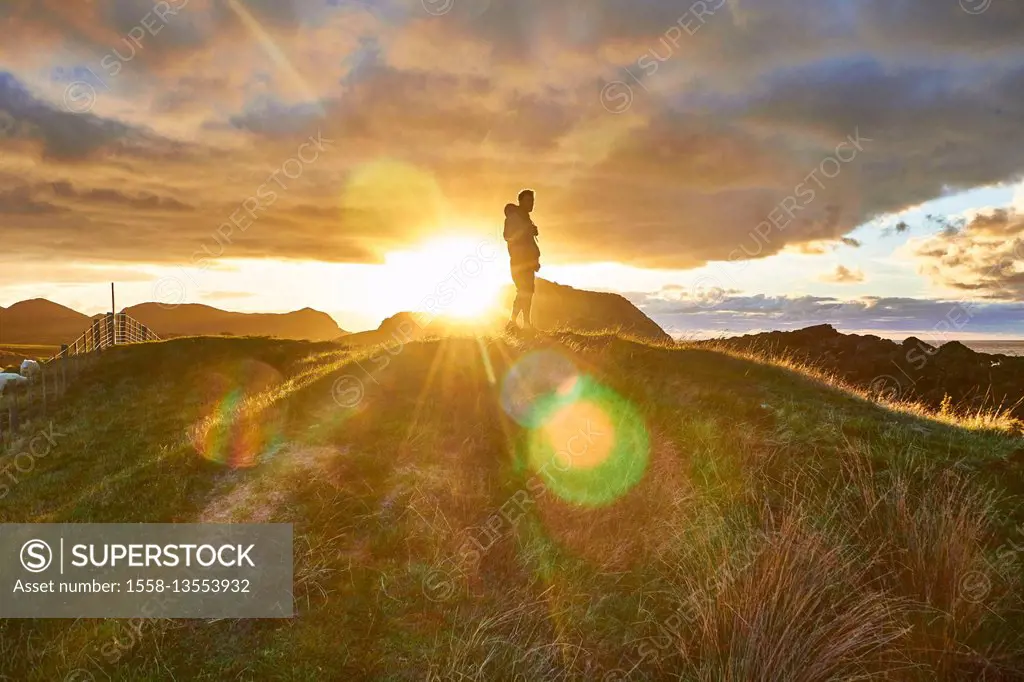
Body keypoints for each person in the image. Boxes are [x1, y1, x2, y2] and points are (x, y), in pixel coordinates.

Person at [504, 189, 541, 330]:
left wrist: (535, 259)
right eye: (528, 201)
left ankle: (524, 323)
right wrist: (527, 230)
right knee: (524, 290)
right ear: (521, 201)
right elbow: (507, 236)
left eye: (532, 201)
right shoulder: (514, 218)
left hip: (527, 261)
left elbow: (530, 243)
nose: (531, 204)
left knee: (527, 291)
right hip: (519, 261)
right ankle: (514, 322)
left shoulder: (525, 218)